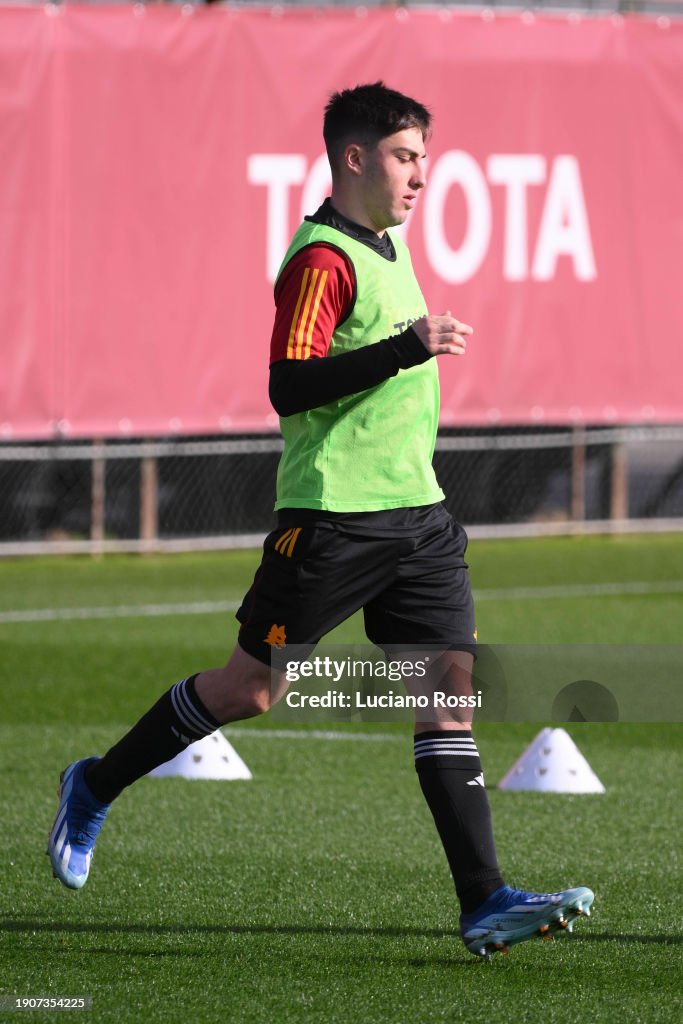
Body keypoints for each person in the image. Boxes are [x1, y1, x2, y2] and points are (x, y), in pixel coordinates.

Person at [48, 82, 593, 958]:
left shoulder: (387, 245)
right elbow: (288, 384)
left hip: (419, 519)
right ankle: (95, 785)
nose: (421, 174)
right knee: (250, 690)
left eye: (423, 157)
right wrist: (405, 347)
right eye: (405, 156)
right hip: (333, 520)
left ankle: (484, 900)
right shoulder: (321, 260)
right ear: (354, 157)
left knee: (446, 702)